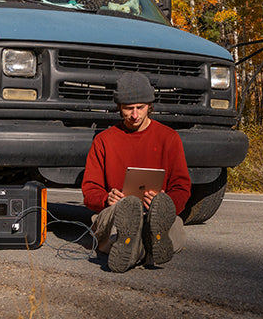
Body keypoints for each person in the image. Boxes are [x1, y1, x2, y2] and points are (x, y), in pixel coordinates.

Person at [82, 72, 191, 272]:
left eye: (140, 108)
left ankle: (136, 248)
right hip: (117, 212)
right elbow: (89, 190)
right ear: (118, 108)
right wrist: (106, 198)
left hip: (155, 213)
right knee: (117, 219)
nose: (134, 115)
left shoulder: (169, 138)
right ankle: (146, 249)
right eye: (128, 108)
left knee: (167, 220)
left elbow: (182, 187)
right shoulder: (104, 140)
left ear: (150, 106)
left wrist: (166, 202)